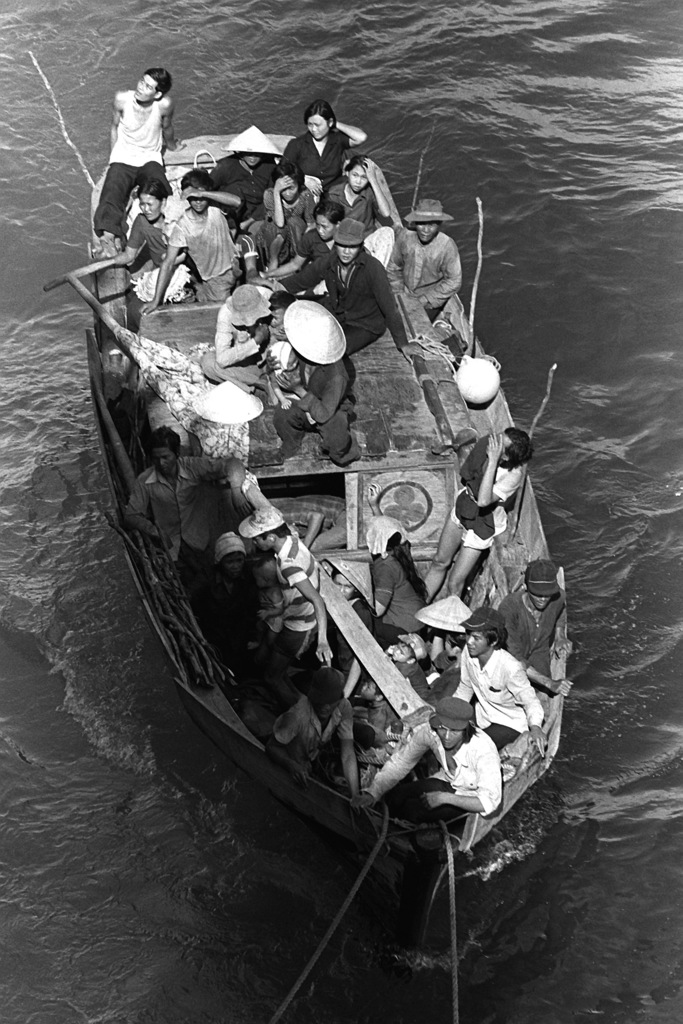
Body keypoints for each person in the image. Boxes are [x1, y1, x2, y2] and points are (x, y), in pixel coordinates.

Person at [123, 426, 251, 593]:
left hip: (199, 540)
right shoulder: (145, 480)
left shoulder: (192, 467)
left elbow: (233, 464)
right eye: (156, 459)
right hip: (171, 547)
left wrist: (236, 491)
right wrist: (154, 531)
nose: (161, 463)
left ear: (176, 454)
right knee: (183, 588)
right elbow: (131, 515)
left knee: (210, 585)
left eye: (165, 457)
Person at [351, 697, 502, 823]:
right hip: (449, 782)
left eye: (455, 731)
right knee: (393, 797)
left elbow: (488, 802)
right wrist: (372, 792)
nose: (446, 737)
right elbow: (401, 763)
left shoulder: (483, 750)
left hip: (471, 795)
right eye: (442, 728)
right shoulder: (430, 734)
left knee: (412, 812)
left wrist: (444, 798)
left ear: (466, 728)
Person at [424, 428, 534, 600]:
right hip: (465, 506)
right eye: (498, 437)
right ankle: (419, 606)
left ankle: (450, 622)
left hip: (483, 523)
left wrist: (492, 461)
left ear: (505, 457)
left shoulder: (514, 475)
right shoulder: (488, 443)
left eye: (499, 445)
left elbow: (484, 501)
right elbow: (467, 472)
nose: (493, 443)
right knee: (439, 561)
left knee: (455, 583)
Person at [238, 505, 332, 704]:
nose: (254, 541)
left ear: (271, 538)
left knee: (271, 676)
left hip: (299, 625)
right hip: (298, 618)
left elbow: (317, 600)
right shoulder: (294, 539)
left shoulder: (289, 565)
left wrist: (323, 640)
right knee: (279, 670)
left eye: (257, 538)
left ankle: (300, 713)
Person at [93, 68, 179, 257]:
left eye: (148, 86)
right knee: (111, 192)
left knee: (162, 189)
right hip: (124, 156)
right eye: (142, 81)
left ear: (157, 94)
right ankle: (109, 236)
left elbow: (167, 127)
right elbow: (114, 127)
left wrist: (172, 146)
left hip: (149, 157)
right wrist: (114, 157)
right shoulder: (122, 99)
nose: (140, 87)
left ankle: (166, 232)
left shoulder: (164, 105)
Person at [140, 169, 242, 312]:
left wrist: (201, 193)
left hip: (235, 268)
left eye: (200, 196)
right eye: (192, 198)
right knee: (223, 315)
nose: (198, 201)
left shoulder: (216, 208)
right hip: (215, 280)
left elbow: (237, 202)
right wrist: (156, 301)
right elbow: (168, 262)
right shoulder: (183, 226)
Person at [272, 301, 360, 465]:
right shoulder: (303, 350)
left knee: (336, 437)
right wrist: (277, 364)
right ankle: (292, 443)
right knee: (282, 415)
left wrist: (298, 389)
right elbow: (289, 360)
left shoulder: (337, 376)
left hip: (332, 408)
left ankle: (348, 453)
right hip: (308, 395)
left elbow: (323, 414)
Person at [453, 607, 545, 754]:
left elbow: (530, 701)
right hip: (483, 716)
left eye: (476, 638)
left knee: (472, 749)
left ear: (493, 641)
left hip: (509, 723)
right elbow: (465, 687)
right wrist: (449, 713)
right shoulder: (468, 653)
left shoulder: (511, 668)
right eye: (468, 634)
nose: (469, 641)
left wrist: (535, 727)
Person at [266, 667, 360, 796]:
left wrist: (355, 795)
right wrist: (291, 765)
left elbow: (348, 754)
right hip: (291, 765)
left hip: (310, 763)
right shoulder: (297, 715)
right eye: (321, 701)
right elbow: (271, 747)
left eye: (331, 702)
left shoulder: (344, 707)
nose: (325, 707)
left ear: (339, 700)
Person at [323, 218, 409, 355]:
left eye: (352, 247)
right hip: (345, 316)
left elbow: (390, 308)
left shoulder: (373, 267)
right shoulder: (333, 261)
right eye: (342, 245)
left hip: (367, 325)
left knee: (336, 350)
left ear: (361, 246)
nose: (346, 252)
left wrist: (403, 344)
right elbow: (308, 277)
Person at [498, 559, 573, 696]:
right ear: (525, 586)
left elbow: (561, 607)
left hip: (539, 655)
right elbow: (516, 659)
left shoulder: (558, 597)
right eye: (537, 593)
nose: (543, 599)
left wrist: (560, 635)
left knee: (540, 695)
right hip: (511, 661)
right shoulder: (509, 608)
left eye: (548, 594)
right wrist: (549, 683)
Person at [192, 532, 259, 679]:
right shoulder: (206, 578)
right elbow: (192, 601)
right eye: (230, 562)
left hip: (239, 633)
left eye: (239, 560)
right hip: (214, 633)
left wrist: (254, 635)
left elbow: (252, 607)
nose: (236, 566)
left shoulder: (248, 576)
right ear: (220, 562)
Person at [387, 198, 462, 322]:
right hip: (404, 294)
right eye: (421, 224)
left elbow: (454, 281)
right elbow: (394, 267)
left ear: (439, 225)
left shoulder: (447, 246)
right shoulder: (405, 236)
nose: (426, 230)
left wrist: (425, 300)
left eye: (431, 225)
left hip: (430, 301)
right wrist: (399, 293)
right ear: (415, 222)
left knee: (416, 329)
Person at [366, 498, 427, 648]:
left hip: (406, 627)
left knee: (364, 621)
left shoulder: (385, 567)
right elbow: (386, 531)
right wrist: (374, 505)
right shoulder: (401, 550)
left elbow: (378, 610)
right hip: (417, 619)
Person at [282, 99, 367, 194]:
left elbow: (361, 137)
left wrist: (334, 123)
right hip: (307, 195)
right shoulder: (297, 144)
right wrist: (303, 179)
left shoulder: (337, 140)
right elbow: (283, 169)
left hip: (334, 193)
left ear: (329, 123)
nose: (313, 129)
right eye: (310, 124)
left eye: (318, 125)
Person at [200, 284, 271, 391]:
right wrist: (255, 342)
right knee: (208, 363)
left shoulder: (268, 297)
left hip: (272, 361)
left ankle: (270, 381)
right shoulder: (226, 315)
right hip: (248, 366)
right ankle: (258, 382)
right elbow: (222, 360)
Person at [210, 125, 281, 230]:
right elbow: (207, 187)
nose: (252, 157)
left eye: (257, 153)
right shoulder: (225, 166)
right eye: (248, 153)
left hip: (258, 215)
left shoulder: (270, 166)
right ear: (240, 152)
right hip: (230, 213)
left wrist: (250, 221)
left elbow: (271, 195)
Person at [257, 161, 317, 271]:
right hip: (274, 237)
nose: (288, 193)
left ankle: (298, 263)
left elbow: (311, 224)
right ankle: (273, 262)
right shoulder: (270, 194)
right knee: (276, 228)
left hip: (296, 236)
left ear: (299, 185)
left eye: (292, 188)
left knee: (294, 221)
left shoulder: (305, 195)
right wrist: (276, 192)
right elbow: (279, 223)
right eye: (283, 189)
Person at [328, 154, 393, 235]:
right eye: (355, 175)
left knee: (388, 232)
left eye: (364, 177)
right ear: (347, 173)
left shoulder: (369, 192)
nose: (358, 182)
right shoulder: (334, 194)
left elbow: (386, 213)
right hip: (343, 238)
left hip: (365, 238)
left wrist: (373, 180)